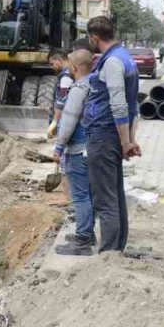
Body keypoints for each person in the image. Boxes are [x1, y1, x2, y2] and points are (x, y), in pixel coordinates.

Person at [81, 15, 140, 253]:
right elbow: (133, 103)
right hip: (111, 136)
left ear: (94, 38)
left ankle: (108, 254)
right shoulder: (123, 58)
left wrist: (127, 142)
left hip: (103, 136)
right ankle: (116, 249)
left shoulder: (113, 63)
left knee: (105, 200)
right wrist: (129, 139)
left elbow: (119, 106)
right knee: (114, 195)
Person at [52, 49, 95, 256]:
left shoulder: (78, 89)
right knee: (89, 193)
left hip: (78, 149)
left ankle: (83, 241)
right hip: (92, 147)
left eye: (69, 65)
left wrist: (59, 147)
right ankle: (88, 232)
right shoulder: (95, 84)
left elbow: (68, 120)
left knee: (80, 196)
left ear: (75, 67)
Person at [46, 49, 73, 139]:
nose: (51, 67)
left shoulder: (66, 77)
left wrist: (54, 122)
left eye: (52, 64)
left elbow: (61, 101)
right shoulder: (73, 72)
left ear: (59, 61)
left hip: (67, 118)